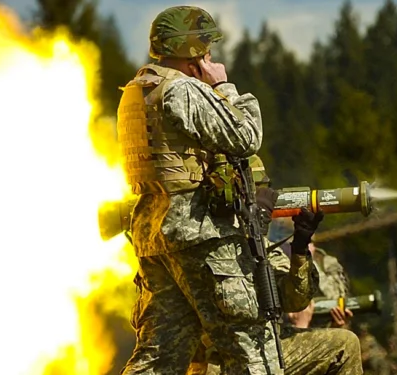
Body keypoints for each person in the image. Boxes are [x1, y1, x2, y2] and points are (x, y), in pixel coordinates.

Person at [117, 5, 323, 374]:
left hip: (155, 235)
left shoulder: (136, 91)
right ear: (192, 51)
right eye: (206, 46)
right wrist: (222, 85)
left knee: (159, 355)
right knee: (251, 348)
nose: (211, 54)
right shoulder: (181, 90)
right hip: (201, 237)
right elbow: (246, 136)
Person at [193, 220, 363, 375]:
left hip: (265, 343)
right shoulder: (197, 243)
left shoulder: (262, 246)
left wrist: (300, 251)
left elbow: (293, 299)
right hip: (218, 355)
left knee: (345, 344)